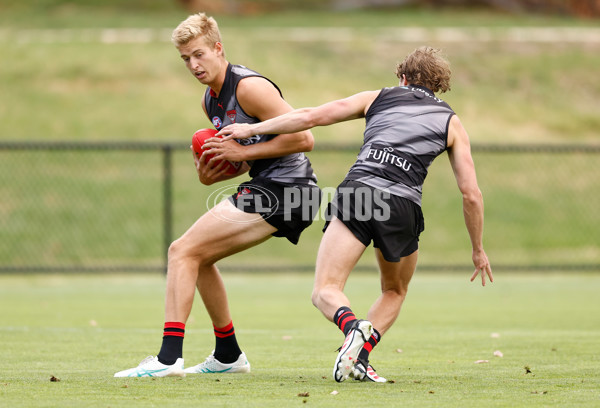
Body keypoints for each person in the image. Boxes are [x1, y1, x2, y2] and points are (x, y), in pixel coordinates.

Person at [212, 46, 493, 383]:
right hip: (402, 206)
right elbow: (471, 194)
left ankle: (353, 327)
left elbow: (312, 116)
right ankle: (360, 352)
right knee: (395, 291)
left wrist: (245, 131)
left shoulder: (378, 97)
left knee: (325, 290)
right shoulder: (451, 122)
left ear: (402, 77)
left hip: (358, 194)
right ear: (438, 86)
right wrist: (477, 248)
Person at [114, 12, 321, 377]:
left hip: (290, 188)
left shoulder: (248, 87)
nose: (193, 65)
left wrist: (243, 154)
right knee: (198, 258)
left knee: (181, 250)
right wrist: (212, 173)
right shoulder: (210, 102)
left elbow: (305, 138)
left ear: (218, 48)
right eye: (185, 59)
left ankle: (168, 359)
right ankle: (228, 354)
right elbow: (242, 157)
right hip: (270, 185)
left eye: (198, 54)